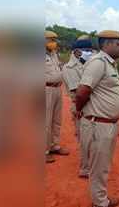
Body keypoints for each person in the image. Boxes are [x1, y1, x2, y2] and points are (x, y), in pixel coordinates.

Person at [75, 30, 119, 207]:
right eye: (118, 44)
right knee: (99, 166)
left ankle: (100, 198)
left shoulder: (110, 64)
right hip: (98, 124)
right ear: (106, 44)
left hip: (108, 124)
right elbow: (82, 92)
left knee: (103, 164)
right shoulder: (97, 62)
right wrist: (79, 111)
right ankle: (99, 202)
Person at [62, 37, 95, 178]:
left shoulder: (88, 64)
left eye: (91, 50)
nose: (90, 53)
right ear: (76, 52)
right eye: (86, 50)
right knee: (85, 140)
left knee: (94, 138)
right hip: (81, 107)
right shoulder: (69, 68)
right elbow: (78, 93)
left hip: (93, 106)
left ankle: (93, 165)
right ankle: (85, 169)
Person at [45, 30, 70, 164]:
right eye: (50, 40)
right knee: (45, 121)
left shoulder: (54, 54)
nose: (53, 43)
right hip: (45, 89)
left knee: (56, 119)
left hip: (57, 88)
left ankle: (54, 145)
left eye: (54, 40)